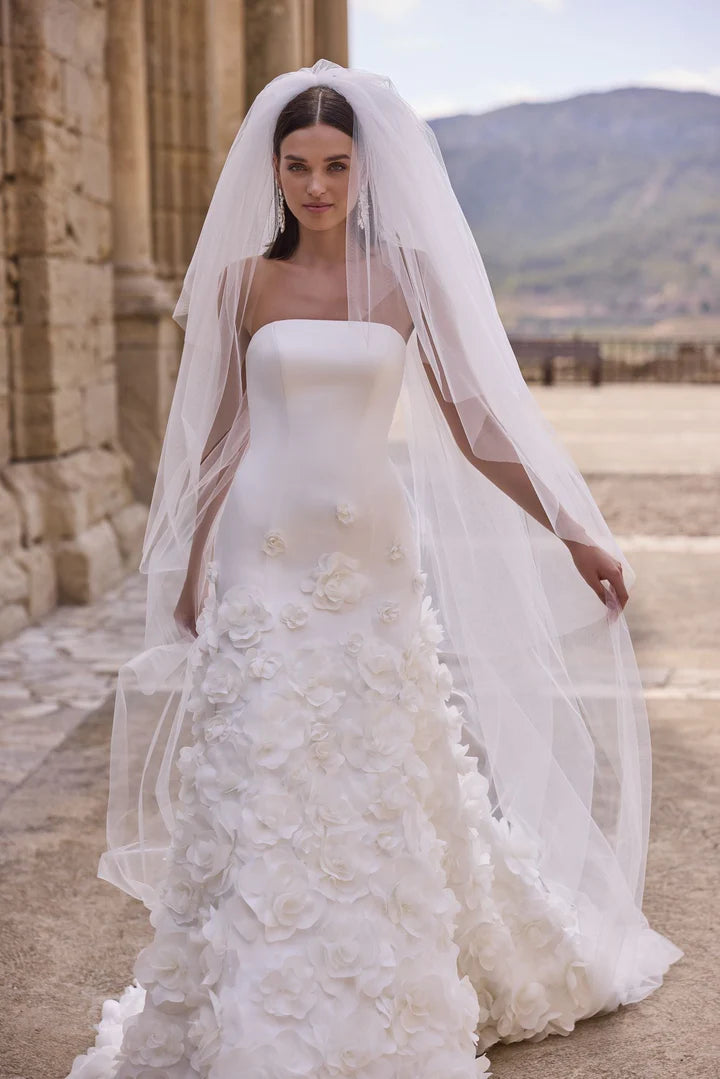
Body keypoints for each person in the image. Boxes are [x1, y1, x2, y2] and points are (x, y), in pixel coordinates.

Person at [65, 59, 683, 1078]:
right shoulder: (242, 282)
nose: (317, 185)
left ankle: (393, 982)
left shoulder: (404, 275)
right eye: (299, 166)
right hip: (263, 555)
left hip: (371, 556)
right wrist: (186, 563)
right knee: (263, 760)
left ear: (363, 170)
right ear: (274, 172)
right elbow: (222, 431)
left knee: (381, 764)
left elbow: (478, 425)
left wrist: (572, 525)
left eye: (335, 165)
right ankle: (258, 999)